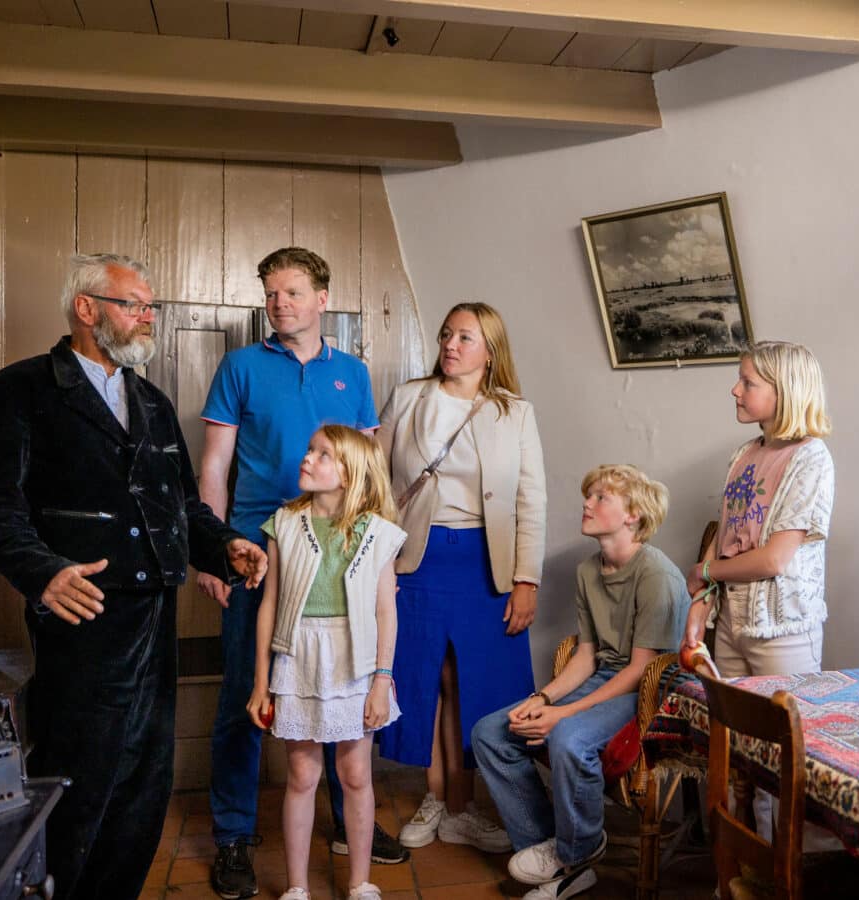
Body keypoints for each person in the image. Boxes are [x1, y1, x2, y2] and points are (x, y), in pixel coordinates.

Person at [0, 253, 269, 900]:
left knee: (143, 782)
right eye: (134, 305)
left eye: (150, 307)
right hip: (84, 615)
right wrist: (44, 573)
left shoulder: (152, 402)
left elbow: (182, 506)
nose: (147, 317)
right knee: (80, 778)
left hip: (154, 614)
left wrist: (224, 549)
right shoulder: (20, 391)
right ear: (86, 308)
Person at [198, 248, 404, 899]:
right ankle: (234, 836)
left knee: (346, 694)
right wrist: (214, 550)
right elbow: (214, 465)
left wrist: (378, 558)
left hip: (342, 553)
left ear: (321, 299)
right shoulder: (240, 367)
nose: (278, 303)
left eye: (291, 292)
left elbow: (368, 466)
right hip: (259, 556)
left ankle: (348, 825)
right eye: (270, 293)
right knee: (246, 695)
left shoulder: (353, 373)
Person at [472, 465, 689, 900]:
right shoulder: (589, 570)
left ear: (632, 515)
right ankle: (551, 852)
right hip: (607, 677)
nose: (586, 504)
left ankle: (580, 853)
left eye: (601, 497)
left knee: (568, 737)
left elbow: (640, 670)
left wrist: (563, 714)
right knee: (490, 732)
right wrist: (542, 698)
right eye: (588, 495)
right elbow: (587, 656)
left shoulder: (657, 575)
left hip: (652, 690)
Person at [376, 302, 546, 852]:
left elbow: (531, 500)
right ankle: (436, 799)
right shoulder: (408, 397)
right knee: (425, 677)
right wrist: (377, 564)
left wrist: (526, 580)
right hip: (416, 559)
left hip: (486, 565)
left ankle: (462, 808)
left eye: (465, 337)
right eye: (446, 334)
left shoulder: (515, 412)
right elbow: (375, 483)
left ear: (490, 351)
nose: (450, 345)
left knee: (473, 682)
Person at [246, 425, 407, 900]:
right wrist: (261, 683)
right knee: (301, 775)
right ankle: (297, 886)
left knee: (355, 774)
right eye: (309, 449)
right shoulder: (283, 524)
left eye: (322, 454)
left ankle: (360, 882)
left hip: (356, 661)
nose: (307, 458)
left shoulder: (378, 533)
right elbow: (269, 605)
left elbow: (385, 611)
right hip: (298, 658)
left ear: (350, 473)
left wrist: (382, 681)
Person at [681, 340, 834, 676]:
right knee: (731, 711)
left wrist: (704, 572)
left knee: (780, 712)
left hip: (782, 629)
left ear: (785, 392)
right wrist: (701, 604)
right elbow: (724, 535)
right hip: (731, 622)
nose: (735, 390)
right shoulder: (744, 454)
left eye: (748, 383)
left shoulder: (810, 458)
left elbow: (774, 559)